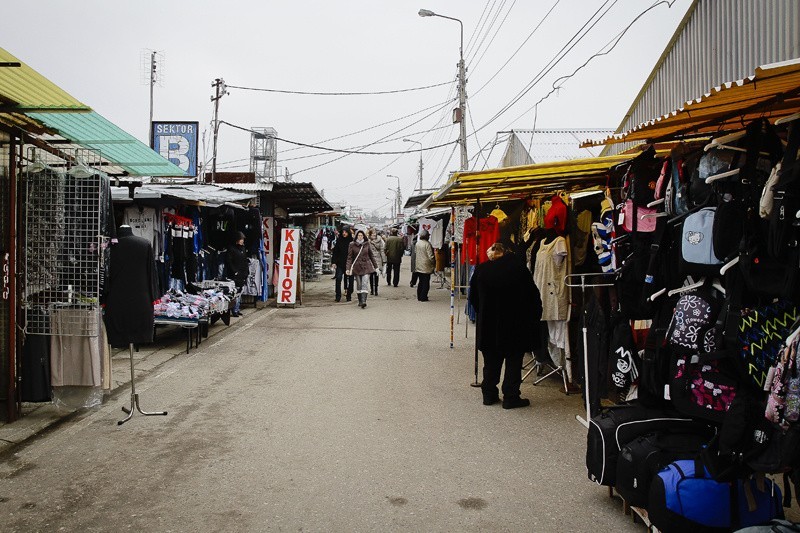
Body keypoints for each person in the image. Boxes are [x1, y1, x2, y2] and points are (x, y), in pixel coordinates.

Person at [468, 242, 542, 409]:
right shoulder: (518, 269)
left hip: (489, 324)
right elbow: (533, 297)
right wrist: (533, 317)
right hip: (514, 323)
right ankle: (511, 396)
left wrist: (484, 312)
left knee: (491, 361)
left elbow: (473, 298)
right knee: (514, 361)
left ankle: (489, 394)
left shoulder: (481, 270)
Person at [346, 229, 379, 308]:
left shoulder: (367, 244)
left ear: (364, 236)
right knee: (359, 284)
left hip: (366, 266)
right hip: (357, 267)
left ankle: (364, 301)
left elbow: (371, 256)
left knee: (364, 283)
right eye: (359, 235)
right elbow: (349, 258)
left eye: (361, 235)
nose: (360, 237)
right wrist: (348, 268)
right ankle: (360, 300)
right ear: (356, 236)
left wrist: (376, 267)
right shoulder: (352, 244)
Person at [225, 231, 249, 317]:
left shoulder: (243, 249)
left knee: (240, 291)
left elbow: (245, 261)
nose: (242, 241)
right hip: (235, 274)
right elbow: (229, 261)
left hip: (242, 273)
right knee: (235, 292)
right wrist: (234, 271)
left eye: (242, 239)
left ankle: (237, 308)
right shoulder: (231, 249)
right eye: (241, 239)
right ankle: (234, 309)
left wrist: (247, 271)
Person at [331, 226, 354, 302]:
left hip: (349, 264)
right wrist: (334, 262)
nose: (344, 233)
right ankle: (338, 295)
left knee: (350, 280)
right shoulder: (339, 241)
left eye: (346, 232)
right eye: (343, 232)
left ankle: (349, 294)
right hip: (340, 263)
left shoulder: (352, 241)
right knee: (338, 278)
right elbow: (335, 252)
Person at [414, 229, 435, 302]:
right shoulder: (427, 244)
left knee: (420, 281)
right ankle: (423, 297)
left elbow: (416, 252)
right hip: (426, 265)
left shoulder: (418, 243)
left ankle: (419, 296)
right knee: (426, 282)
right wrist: (433, 263)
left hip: (419, 264)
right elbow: (431, 256)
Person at [367, 228, 386, 296]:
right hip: (370, 259)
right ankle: (372, 289)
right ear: (370, 234)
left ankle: (376, 290)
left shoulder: (379, 240)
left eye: (375, 233)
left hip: (378, 259)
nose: (374, 234)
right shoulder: (367, 241)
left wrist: (384, 260)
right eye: (372, 233)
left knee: (376, 274)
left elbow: (382, 250)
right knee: (371, 275)